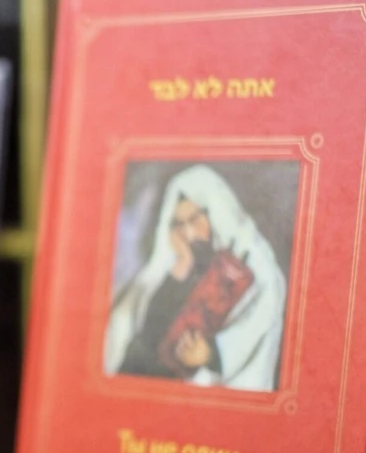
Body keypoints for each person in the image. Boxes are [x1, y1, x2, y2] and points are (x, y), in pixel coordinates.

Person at [104, 164, 287, 392]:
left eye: (194, 219)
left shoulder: (256, 263)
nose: (187, 232)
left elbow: (260, 318)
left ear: (215, 212)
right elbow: (147, 332)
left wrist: (210, 354)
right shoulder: (181, 263)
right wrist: (180, 269)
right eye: (178, 224)